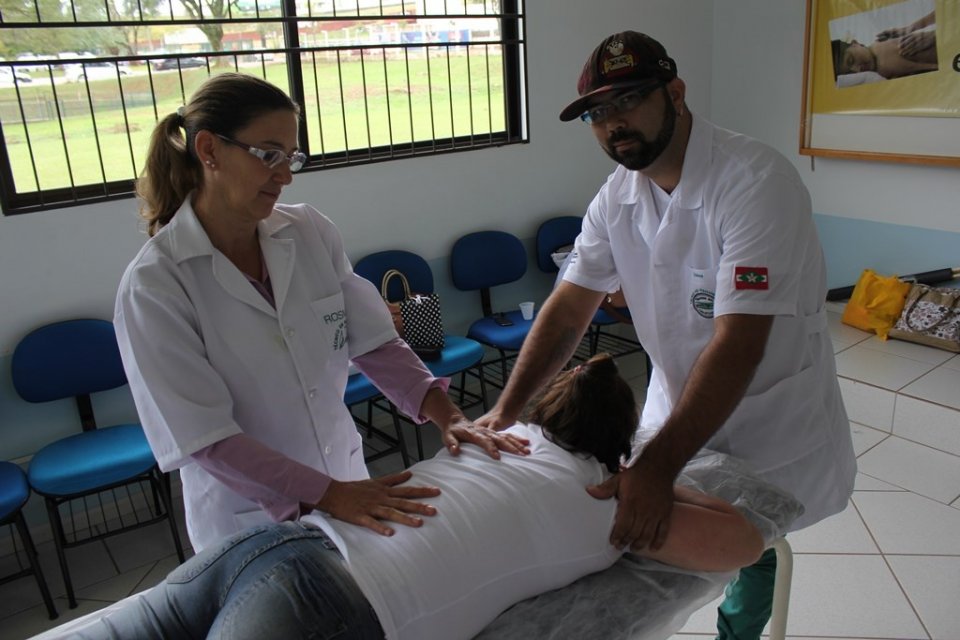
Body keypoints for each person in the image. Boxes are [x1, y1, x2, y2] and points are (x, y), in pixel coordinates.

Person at [476, 31, 857, 640]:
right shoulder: (616, 197)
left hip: (772, 421)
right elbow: (569, 308)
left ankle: (741, 633)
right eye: (597, 113)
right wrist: (505, 411)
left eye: (627, 100)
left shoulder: (755, 181)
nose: (612, 123)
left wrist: (655, 469)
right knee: (666, 541)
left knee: (751, 541)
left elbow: (738, 342)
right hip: (678, 403)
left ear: (674, 93)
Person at [69, 354, 765, 640]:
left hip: (268, 546)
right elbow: (741, 540)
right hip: (328, 603)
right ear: (618, 444)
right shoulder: (606, 501)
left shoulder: (496, 439)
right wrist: (650, 475)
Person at [114, 72, 528, 553]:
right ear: (208, 150)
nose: (285, 176)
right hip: (248, 515)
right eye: (269, 155)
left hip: (344, 478)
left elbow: (376, 342)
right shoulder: (156, 286)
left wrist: (449, 416)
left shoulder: (308, 231)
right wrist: (328, 495)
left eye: (291, 158)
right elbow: (207, 438)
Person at [831, 10, 938, 81]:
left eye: (851, 60)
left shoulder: (881, 53)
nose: (857, 70)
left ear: (855, 43)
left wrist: (932, 35)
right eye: (850, 74)